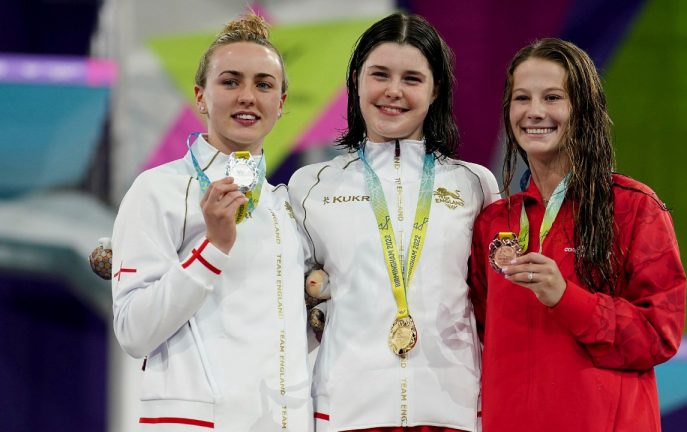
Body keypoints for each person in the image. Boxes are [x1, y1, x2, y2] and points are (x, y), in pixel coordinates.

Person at [289, 12, 499, 432]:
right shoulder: (310, 186)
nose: (393, 92)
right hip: (347, 411)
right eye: (379, 74)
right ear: (355, 79)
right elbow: (292, 302)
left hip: (453, 409)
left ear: (436, 88)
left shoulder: (475, 184)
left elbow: (489, 302)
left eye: (412, 79)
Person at [468, 38, 686, 432]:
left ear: (582, 110)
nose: (535, 112)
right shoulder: (494, 223)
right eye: (522, 98)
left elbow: (659, 334)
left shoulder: (632, 208)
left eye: (552, 97)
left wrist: (568, 299)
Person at [110, 13, 312, 431]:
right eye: (230, 81)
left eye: (263, 84)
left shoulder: (286, 207)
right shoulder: (157, 190)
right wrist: (213, 248)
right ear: (200, 96)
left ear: (281, 103)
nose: (247, 96)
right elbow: (134, 331)